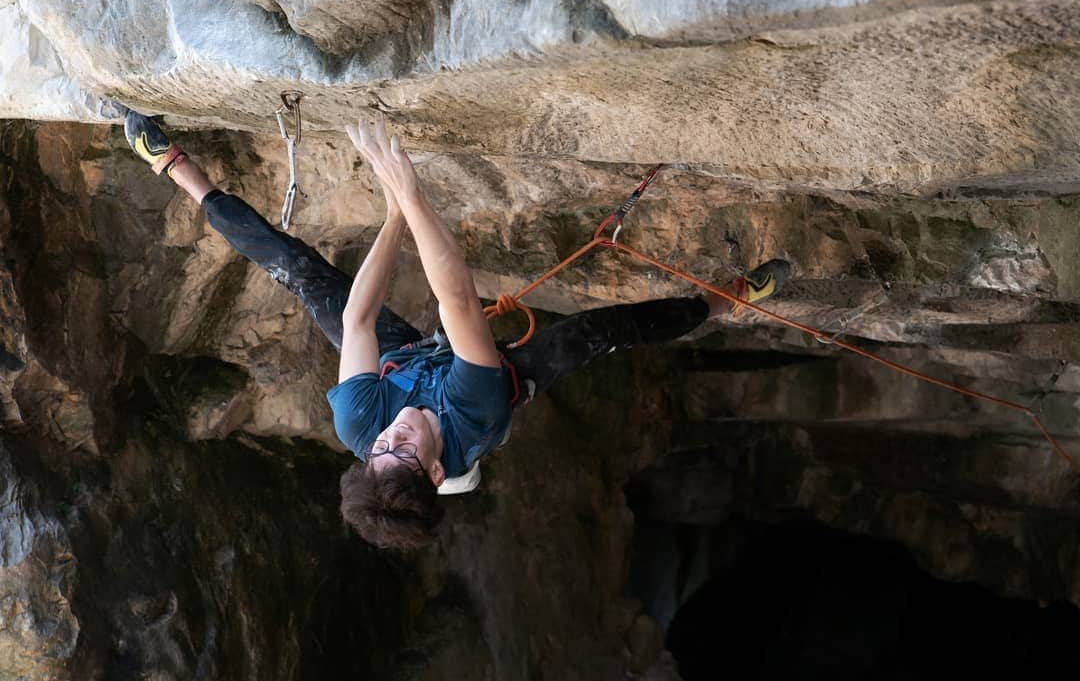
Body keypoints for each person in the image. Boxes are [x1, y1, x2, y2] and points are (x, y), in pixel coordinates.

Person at [123, 109, 791, 550]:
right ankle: (725, 301)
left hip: (402, 361)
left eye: (381, 447)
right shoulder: (477, 414)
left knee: (297, 271)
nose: (394, 434)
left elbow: (356, 316)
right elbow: (458, 303)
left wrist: (392, 213)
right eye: (404, 448)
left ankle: (176, 166)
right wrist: (413, 197)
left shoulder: (364, 426)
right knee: (599, 331)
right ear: (436, 468)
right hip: (492, 374)